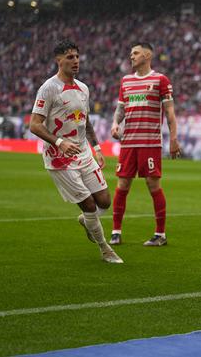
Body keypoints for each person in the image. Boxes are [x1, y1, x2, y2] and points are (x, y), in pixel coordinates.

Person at [29, 39, 123, 264]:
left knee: (104, 201)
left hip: (83, 153)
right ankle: (105, 249)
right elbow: (34, 124)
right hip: (60, 158)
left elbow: (85, 122)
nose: (76, 61)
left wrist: (97, 148)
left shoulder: (83, 88)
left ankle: (87, 221)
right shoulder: (49, 88)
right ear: (58, 60)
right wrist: (59, 142)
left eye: (77, 57)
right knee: (89, 204)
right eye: (70, 57)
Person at [109, 42, 181, 247]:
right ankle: (116, 232)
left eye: (135, 53)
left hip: (150, 142)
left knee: (153, 185)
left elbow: (170, 113)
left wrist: (174, 139)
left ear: (147, 55)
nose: (131, 56)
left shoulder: (160, 80)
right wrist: (115, 124)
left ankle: (160, 234)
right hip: (128, 143)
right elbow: (120, 109)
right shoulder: (126, 81)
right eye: (131, 53)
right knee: (122, 184)